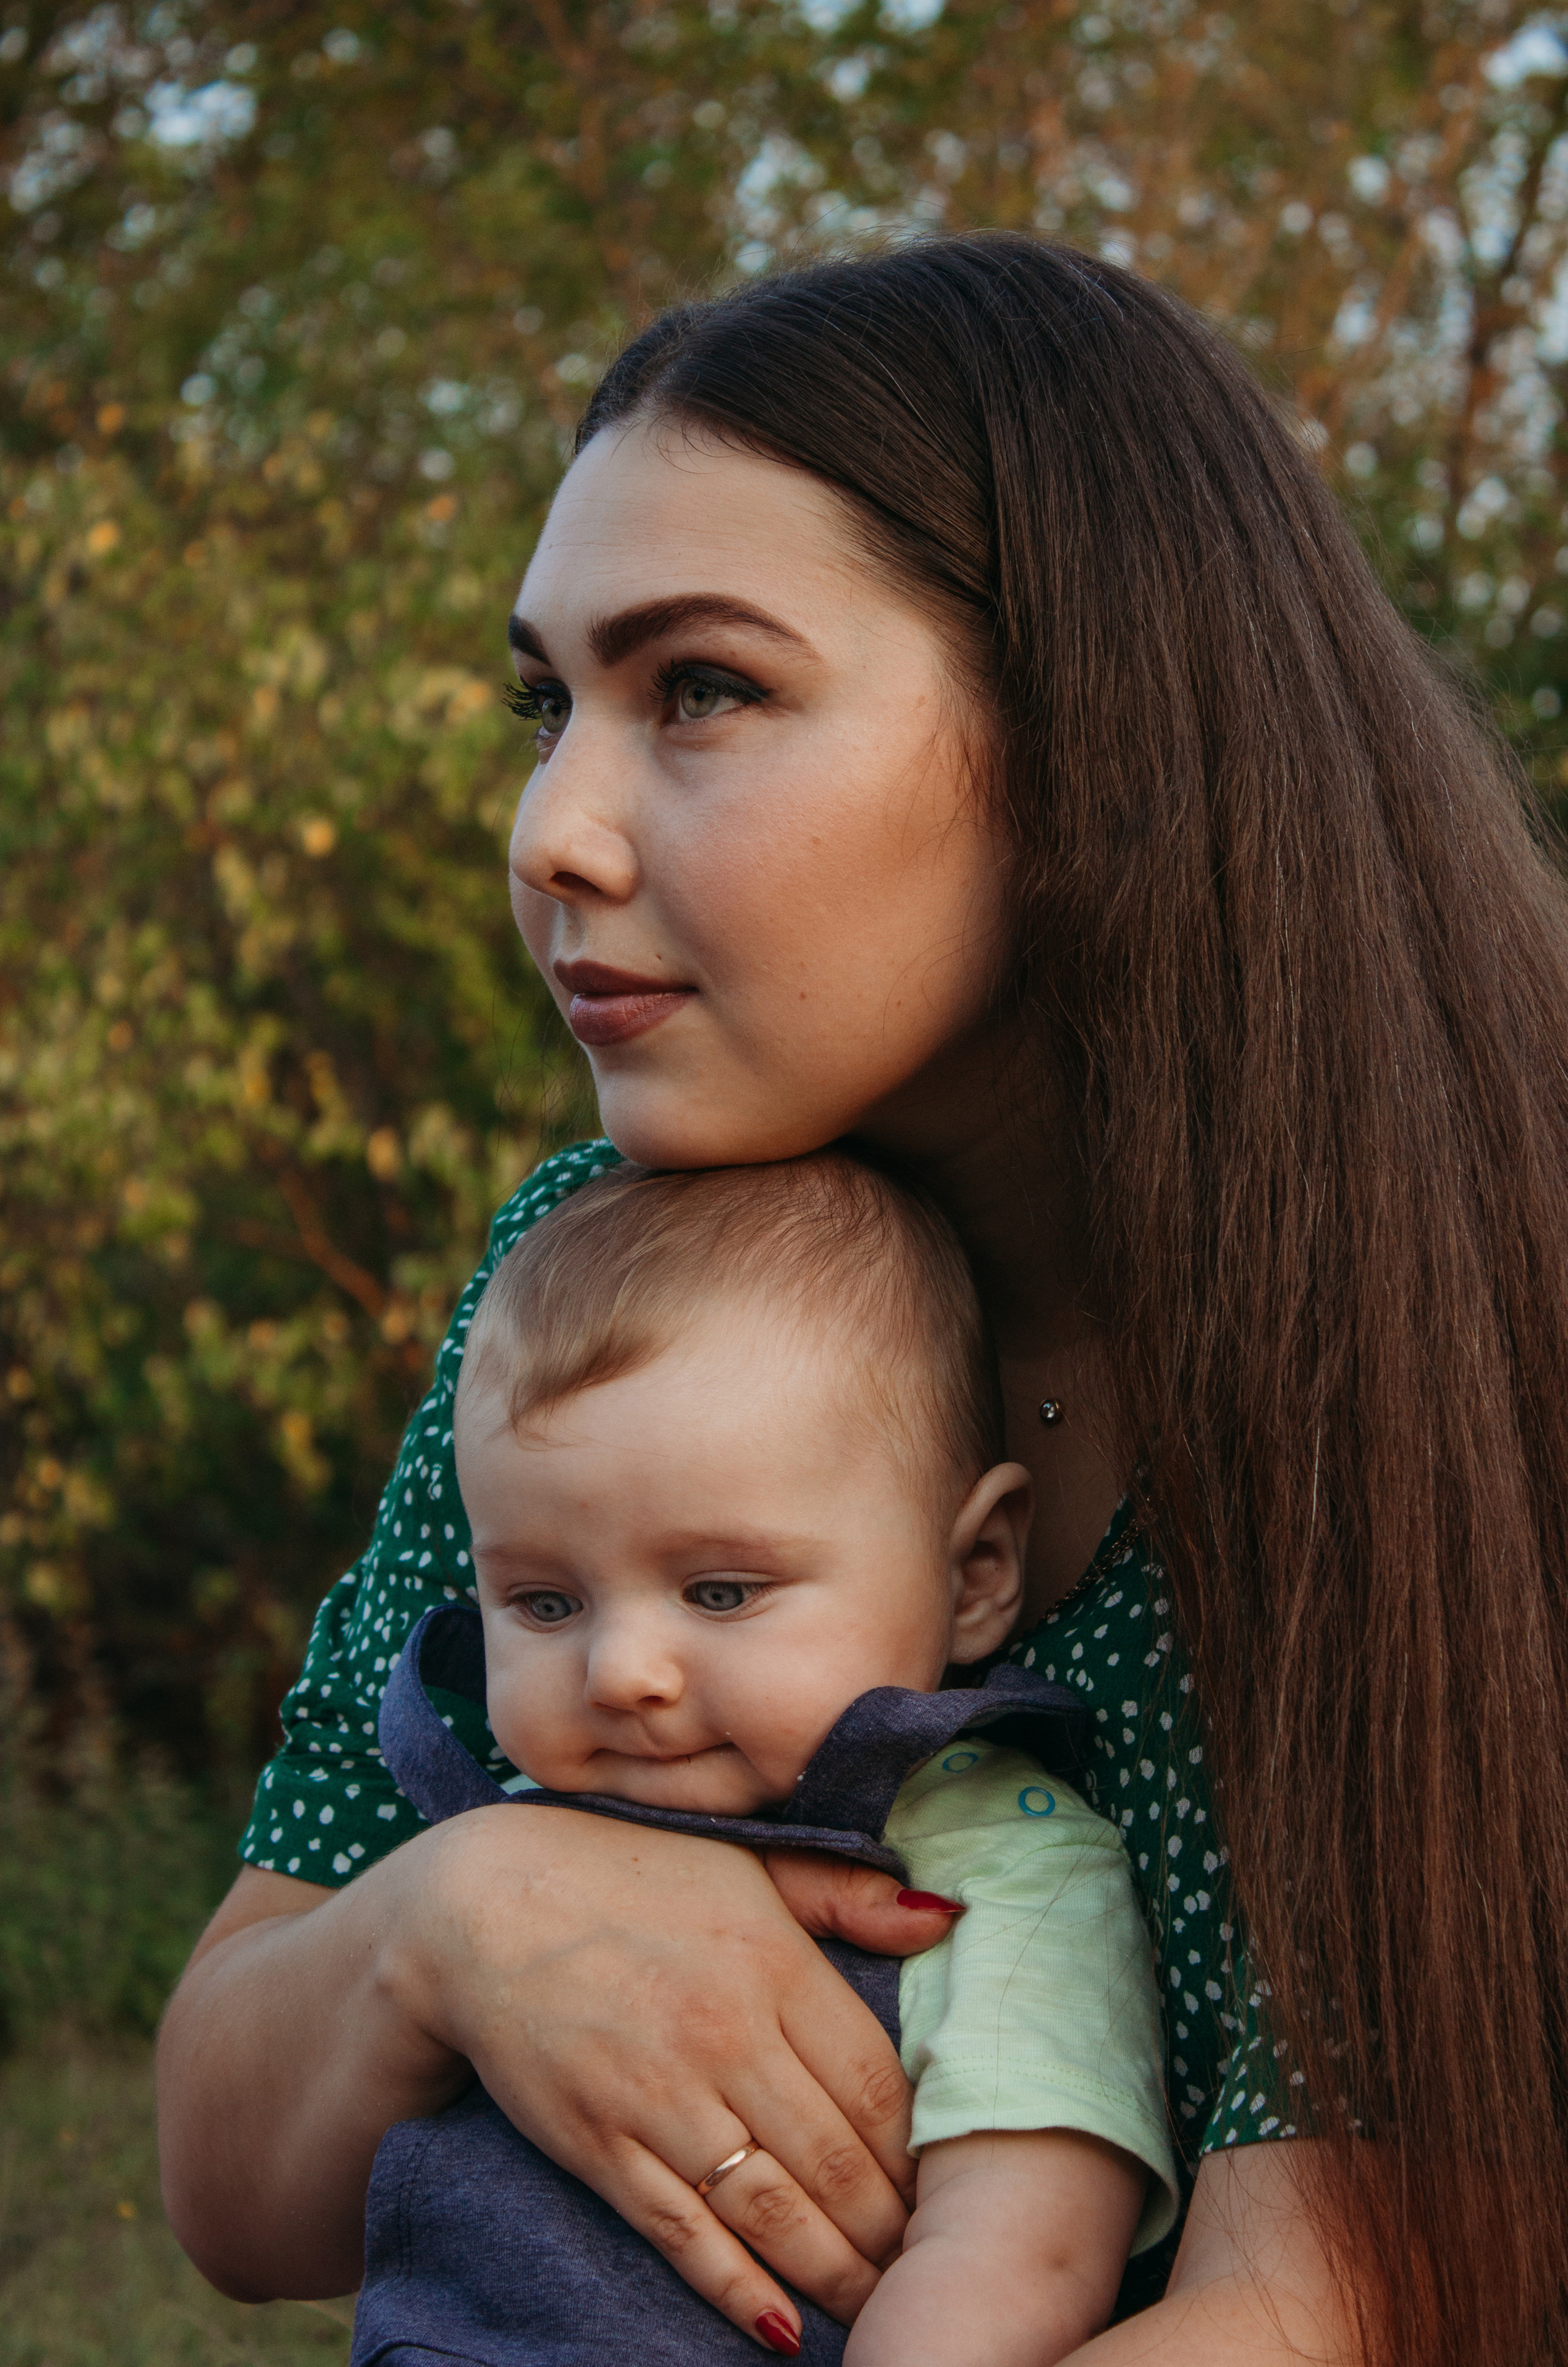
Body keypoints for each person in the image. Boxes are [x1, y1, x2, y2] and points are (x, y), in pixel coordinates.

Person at [157, 236, 1568, 2367]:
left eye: (701, 687)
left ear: (1086, 737)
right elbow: (228, 2188)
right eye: (552, 702)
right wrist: (455, 1923)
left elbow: (1334, 2304)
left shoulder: (1435, 1314)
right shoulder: (627, 1286)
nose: (554, 829)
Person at [353, 1150, 1178, 2365]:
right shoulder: (513, 1840)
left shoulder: (999, 1865)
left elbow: (1019, 2249)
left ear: (974, 1577)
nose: (622, 1670)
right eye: (540, 1603)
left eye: (721, 1590)